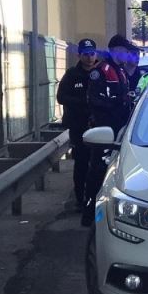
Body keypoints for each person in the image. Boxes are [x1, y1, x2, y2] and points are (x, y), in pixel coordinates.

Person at [82, 35, 132, 226]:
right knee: (97, 171)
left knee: (111, 173)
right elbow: (94, 100)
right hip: (104, 131)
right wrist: (117, 104)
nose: (127, 54)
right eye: (125, 50)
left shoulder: (120, 71)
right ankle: (89, 215)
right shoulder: (101, 71)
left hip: (119, 131)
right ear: (115, 50)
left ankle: (107, 213)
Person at [56, 38, 98, 210]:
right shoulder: (72, 74)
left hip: (98, 127)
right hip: (78, 126)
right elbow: (61, 97)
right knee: (81, 162)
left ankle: (95, 197)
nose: (89, 58)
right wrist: (83, 102)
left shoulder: (102, 72)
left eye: (91, 54)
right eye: (85, 54)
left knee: (97, 163)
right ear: (80, 55)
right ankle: (80, 199)